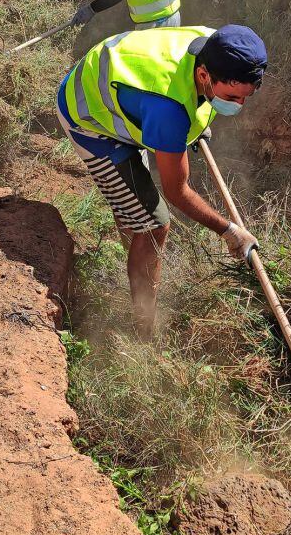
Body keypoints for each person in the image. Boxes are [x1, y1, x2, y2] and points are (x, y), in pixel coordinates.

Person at [56, 24, 265, 340]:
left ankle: (133, 250)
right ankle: (143, 330)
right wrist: (229, 231)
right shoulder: (167, 110)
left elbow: (192, 102)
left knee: (140, 210)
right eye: (232, 97)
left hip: (120, 91)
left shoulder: (214, 44)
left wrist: (197, 122)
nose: (238, 105)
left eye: (244, 97)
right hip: (89, 116)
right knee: (155, 224)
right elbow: (177, 192)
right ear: (205, 76)